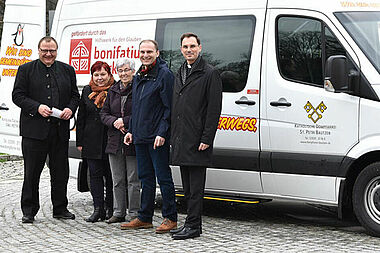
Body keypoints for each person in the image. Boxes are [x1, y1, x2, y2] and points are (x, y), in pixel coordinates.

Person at [12, 36, 80, 223]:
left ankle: (60, 207)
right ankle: (29, 210)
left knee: (60, 172)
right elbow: (17, 96)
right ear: (39, 50)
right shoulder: (26, 70)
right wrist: (36, 107)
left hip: (59, 131)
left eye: (52, 50)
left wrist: (70, 109)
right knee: (32, 172)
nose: (48, 54)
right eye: (45, 50)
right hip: (34, 132)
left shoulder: (67, 70)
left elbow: (75, 96)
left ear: (57, 51)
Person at [170, 33, 222, 240]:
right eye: (185, 46)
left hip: (198, 139)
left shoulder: (210, 73)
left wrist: (206, 139)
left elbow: (213, 110)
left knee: (196, 188)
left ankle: (193, 225)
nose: (189, 50)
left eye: (192, 46)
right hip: (182, 138)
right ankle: (191, 224)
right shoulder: (180, 72)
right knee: (187, 187)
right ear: (181, 49)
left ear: (200, 47)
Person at [121, 39, 177, 233]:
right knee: (145, 177)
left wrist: (163, 132)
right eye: (142, 52)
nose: (145, 55)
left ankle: (171, 218)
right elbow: (137, 108)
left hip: (156, 137)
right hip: (140, 136)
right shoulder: (139, 75)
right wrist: (131, 131)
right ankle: (145, 217)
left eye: (149, 52)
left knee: (163, 177)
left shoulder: (164, 75)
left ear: (157, 53)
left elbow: (169, 108)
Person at [100, 58, 141, 224]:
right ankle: (118, 212)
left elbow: (142, 112)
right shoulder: (113, 90)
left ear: (133, 71)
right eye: (121, 70)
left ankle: (135, 213)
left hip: (132, 140)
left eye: (126, 70)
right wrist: (114, 122)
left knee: (133, 180)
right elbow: (104, 114)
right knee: (117, 180)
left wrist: (125, 121)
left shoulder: (139, 87)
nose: (124, 73)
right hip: (114, 141)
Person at [76, 61, 114, 222]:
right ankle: (98, 209)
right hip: (90, 140)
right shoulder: (86, 90)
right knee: (95, 176)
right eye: (96, 75)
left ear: (109, 75)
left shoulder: (115, 89)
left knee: (111, 176)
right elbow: (81, 117)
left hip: (110, 140)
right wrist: (80, 141)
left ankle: (111, 209)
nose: (99, 78)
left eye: (103, 74)